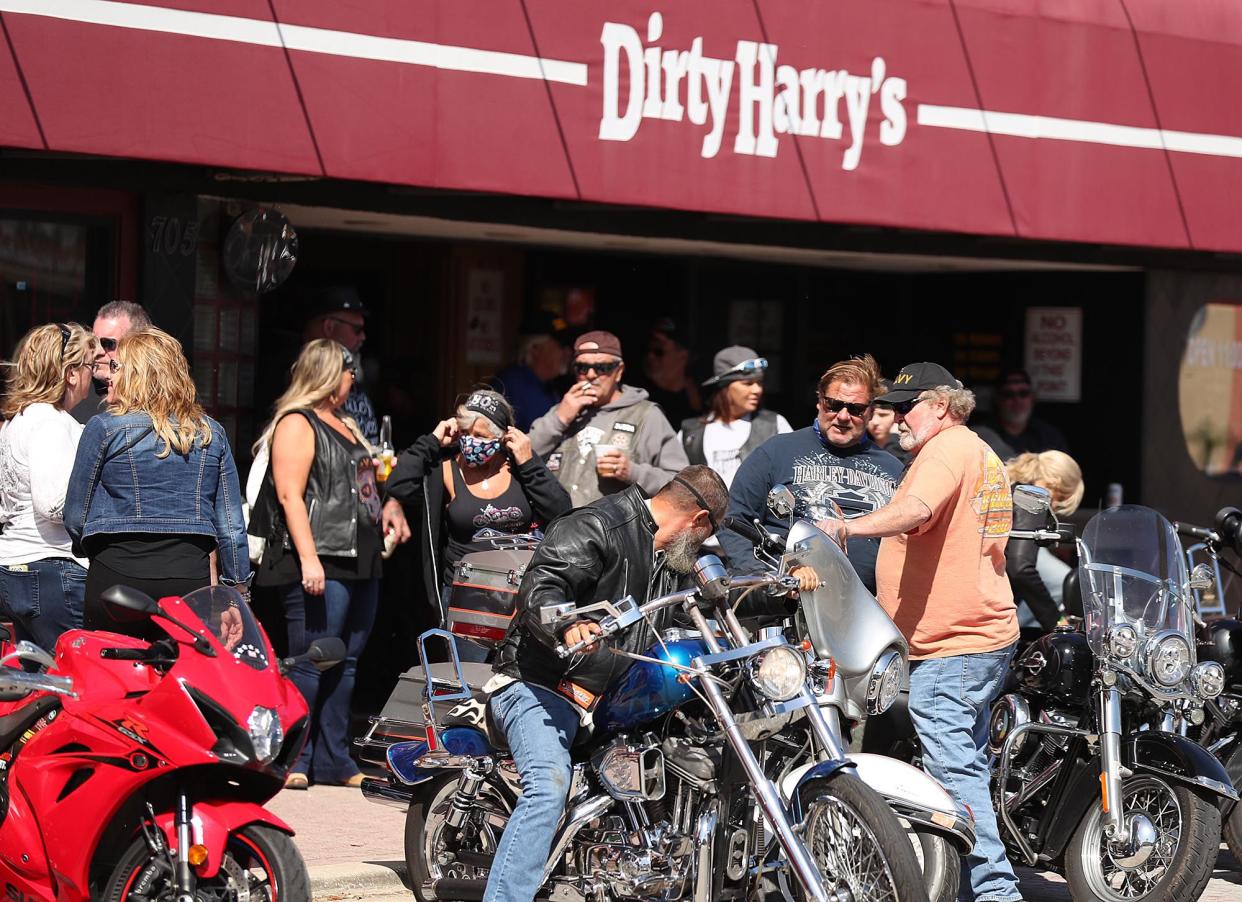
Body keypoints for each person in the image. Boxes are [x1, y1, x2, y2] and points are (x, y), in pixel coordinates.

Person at [819, 361, 1022, 902]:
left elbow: (915, 509)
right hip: (974, 638)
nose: (895, 416)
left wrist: (845, 525)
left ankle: (995, 893)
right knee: (964, 766)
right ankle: (968, 887)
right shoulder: (974, 449)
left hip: (955, 644)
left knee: (955, 774)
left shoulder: (947, 450)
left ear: (940, 406)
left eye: (906, 406)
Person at [484, 465, 729, 902]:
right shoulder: (599, 525)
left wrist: (786, 591)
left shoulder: (671, 559)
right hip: (540, 686)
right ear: (698, 521)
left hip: (608, 700)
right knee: (548, 785)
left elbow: (722, 601)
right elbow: (544, 584)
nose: (705, 545)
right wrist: (569, 625)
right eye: (708, 533)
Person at [247, 339, 409, 789]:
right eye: (347, 370)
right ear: (326, 373)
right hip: (322, 554)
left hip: (360, 554)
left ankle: (335, 758)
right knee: (311, 660)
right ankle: (294, 757)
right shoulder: (297, 422)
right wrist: (308, 558)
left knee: (349, 661)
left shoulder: (348, 424)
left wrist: (388, 507)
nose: (353, 378)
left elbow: (364, 485)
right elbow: (289, 494)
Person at [64, 328, 250, 636]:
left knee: (112, 673)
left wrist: (97, 551)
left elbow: (75, 515)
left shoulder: (104, 428)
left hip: (116, 572)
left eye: (116, 367)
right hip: (189, 577)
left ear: (136, 373)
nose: (110, 376)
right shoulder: (210, 433)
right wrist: (236, 592)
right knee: (182, 674)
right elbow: (231, 526)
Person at [385, 390, 571, 662]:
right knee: (469, 679)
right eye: (465, 433)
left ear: (502, 436)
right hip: (466, 597)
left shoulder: (518, 467)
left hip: (518, 594)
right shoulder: (445, 468)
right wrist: (433, 441)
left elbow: (562, 510)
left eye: (482, 436)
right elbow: (397, 484)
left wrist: (530, 462)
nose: (472, 442)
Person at [718, 354, 902, 592]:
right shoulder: (776, 452)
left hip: (869, 611)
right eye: (834, 405)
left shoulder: (894, 468)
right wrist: (769, 578)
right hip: (788, 607)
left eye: (855, 409)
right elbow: (734, 522)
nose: (843, 416)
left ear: (870, 411)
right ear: (819, 402)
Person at [0, 323, 100, 650]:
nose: (93, 374)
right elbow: (53, 505)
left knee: (38, 687)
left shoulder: (20, 418)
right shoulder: (50, 422)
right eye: (89, 364)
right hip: (52, 571)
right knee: (76, 682)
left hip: (15, 568)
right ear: (71, 373)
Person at [529, 331, 689, 507]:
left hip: (614, 531)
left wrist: (632, 472)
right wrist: (559, 418)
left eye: (602, 368)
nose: (590, 375)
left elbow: (680, 484)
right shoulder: (563, 411)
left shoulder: (645, 415)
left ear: (619, 371)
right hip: (556, 529)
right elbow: (523, 458)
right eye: (582, 367)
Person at [678, 346, 792, 489]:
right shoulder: (691, 433)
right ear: (725, 387)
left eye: (759, 382)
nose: (757, 390)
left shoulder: (774, 424)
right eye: (748, 383)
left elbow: (792, 474)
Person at [1005, 450, 1084, 634]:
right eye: (1061, 501)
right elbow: (1020, 568)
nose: (1054, 508)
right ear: (1056, 484)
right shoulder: (1032, 498)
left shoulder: (1011, 489)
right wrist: (1056, 623)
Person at [302, 286, 379, 445]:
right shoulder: (298, 376)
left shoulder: (358, 373)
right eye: (357, 330)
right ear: (329, 327)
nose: (363, 337)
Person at [72, 300, 151, 423]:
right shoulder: (74, 395)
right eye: (93, 343)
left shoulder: (159, 398)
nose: (97, 351)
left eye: (108, 343)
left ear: (138, 346)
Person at [490, 312, 570, 432]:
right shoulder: (510, 385)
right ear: (535, 348)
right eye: (560, 345)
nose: (567, 352)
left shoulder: (551, 386)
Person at [974, 369, 1068, 460]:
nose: (1017, 400)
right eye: (1008, 394)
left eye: (1023, 393)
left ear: (1033, 398)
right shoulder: (979, 436)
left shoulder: (1050, 437)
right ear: (997, 399)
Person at [636, 317, 702, 426]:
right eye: (648, 350)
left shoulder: (697, 400)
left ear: (683, 355)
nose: (650, 357)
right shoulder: (639, 395)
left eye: (659, 351)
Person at [867, 380, 912, 469]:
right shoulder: (860, 446)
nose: (875, 422)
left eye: (883, 415)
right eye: (871, 415)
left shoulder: (909, 449)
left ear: (896, 415)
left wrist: (895, 437)